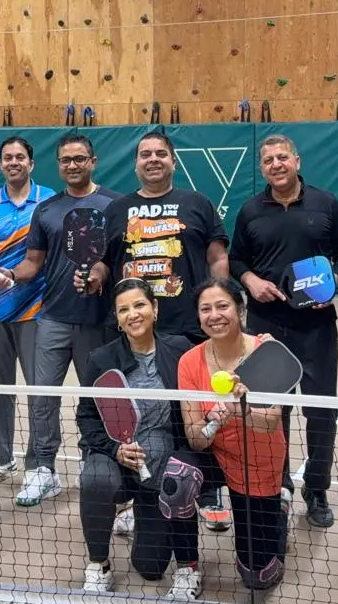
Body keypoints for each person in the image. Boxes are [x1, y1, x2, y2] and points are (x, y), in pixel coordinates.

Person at [89, 128, 233, 532]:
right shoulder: (117, 209)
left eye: (160, 154)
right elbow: (104, 260)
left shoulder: (197, 203)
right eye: (145, 154)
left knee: (194, 413)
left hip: (187, 328)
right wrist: (95, 276)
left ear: (172, 160)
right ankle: (141, 496)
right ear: (136, 163)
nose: (153, 159)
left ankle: (206, 489)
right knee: (141, 417)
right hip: (134, 331)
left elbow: (217, 259)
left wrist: (222, 308)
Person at [228, 134, 338, 528]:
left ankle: (316, 490)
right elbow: (235, 259)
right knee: (270, 411)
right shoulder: (251, 210)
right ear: (262, 167)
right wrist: (250, 281)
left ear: (297, 161)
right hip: (267, 327)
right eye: (268, 160)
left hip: (316, 327)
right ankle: (278, 487)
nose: (276, 164)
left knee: (321, 413)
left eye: (283, 157)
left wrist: (333, 280)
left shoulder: (326, 204)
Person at [8, 132, 120, 506]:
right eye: (66, 160)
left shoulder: (114, 205)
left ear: (93, 161)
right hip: (52, 318)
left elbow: (121, 261)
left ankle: (96, 464)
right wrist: (5, 273)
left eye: (79, 159)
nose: (72, 165)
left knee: (96, 399)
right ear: (58, 165)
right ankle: (43, 470)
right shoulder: (47, 209)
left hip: (99, 320)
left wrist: (101, 272)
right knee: (43, 396)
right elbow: (33, 263)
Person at [75, 280, 202, 597]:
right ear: (117, 319)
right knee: (94, 478)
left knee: (150, 567)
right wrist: (114, 449)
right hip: (114, 459)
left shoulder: (180, 350)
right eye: (124, 309)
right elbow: (86, 417)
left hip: (159, 465)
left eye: (140, 305)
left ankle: (177, 553)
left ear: (155, 309)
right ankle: (98, 565)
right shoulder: (101, 360)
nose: (133, 314)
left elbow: (215, 355)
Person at [179, 279, 288, 590]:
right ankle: (186, 566)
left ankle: (279, 511)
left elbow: (269, 423)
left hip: (257, 458)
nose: (215, 315)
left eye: (223, 305)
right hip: (214, 453)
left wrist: (239, 409)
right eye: (206, 309)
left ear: (240, 310)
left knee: (258, 576)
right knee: (178, 477)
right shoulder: (189, 361)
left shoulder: (265, 351)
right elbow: (195, 438)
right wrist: (212, 420)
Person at [0, 137, 54, 488]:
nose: (14, 162)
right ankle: (1, 459)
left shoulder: (48, 200)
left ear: (31, 163)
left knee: (40, 389)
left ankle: (39, 464)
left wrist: (18, 275)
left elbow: (52, 250)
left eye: (20, 156)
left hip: (37, 308)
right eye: (7, 158)